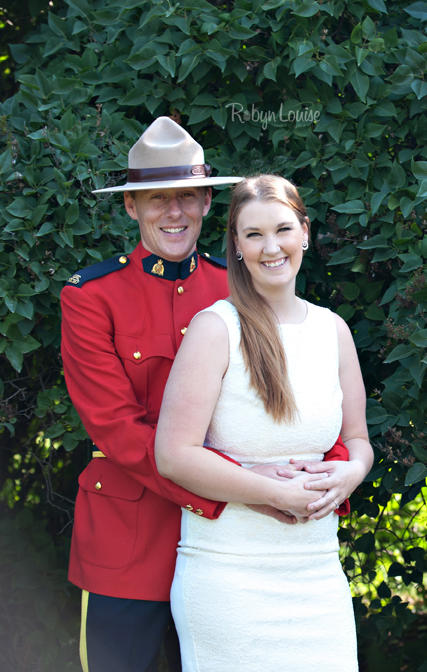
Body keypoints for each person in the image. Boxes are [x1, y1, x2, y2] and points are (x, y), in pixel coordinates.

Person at [61, 118, 351, 672]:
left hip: (244, 544)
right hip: (134, 543)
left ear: (205, 204)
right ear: (131, 207)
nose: (174, 211)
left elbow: (304, 401)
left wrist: (322, 474)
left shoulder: (239, 288)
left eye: (188, 196)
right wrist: (234, 489)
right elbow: (116, 428)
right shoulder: (91, 297)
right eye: (157, 198)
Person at [154, 174, 373, 671]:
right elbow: (173, 455)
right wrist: (268, 490)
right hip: (229, 577)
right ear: (236, 245)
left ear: (305, 233)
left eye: (282, 230)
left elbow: (357, 440)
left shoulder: (332, 331)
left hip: (318, 573)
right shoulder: (215, 329)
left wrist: (350, 474)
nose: (271, 247)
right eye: (253, 234)